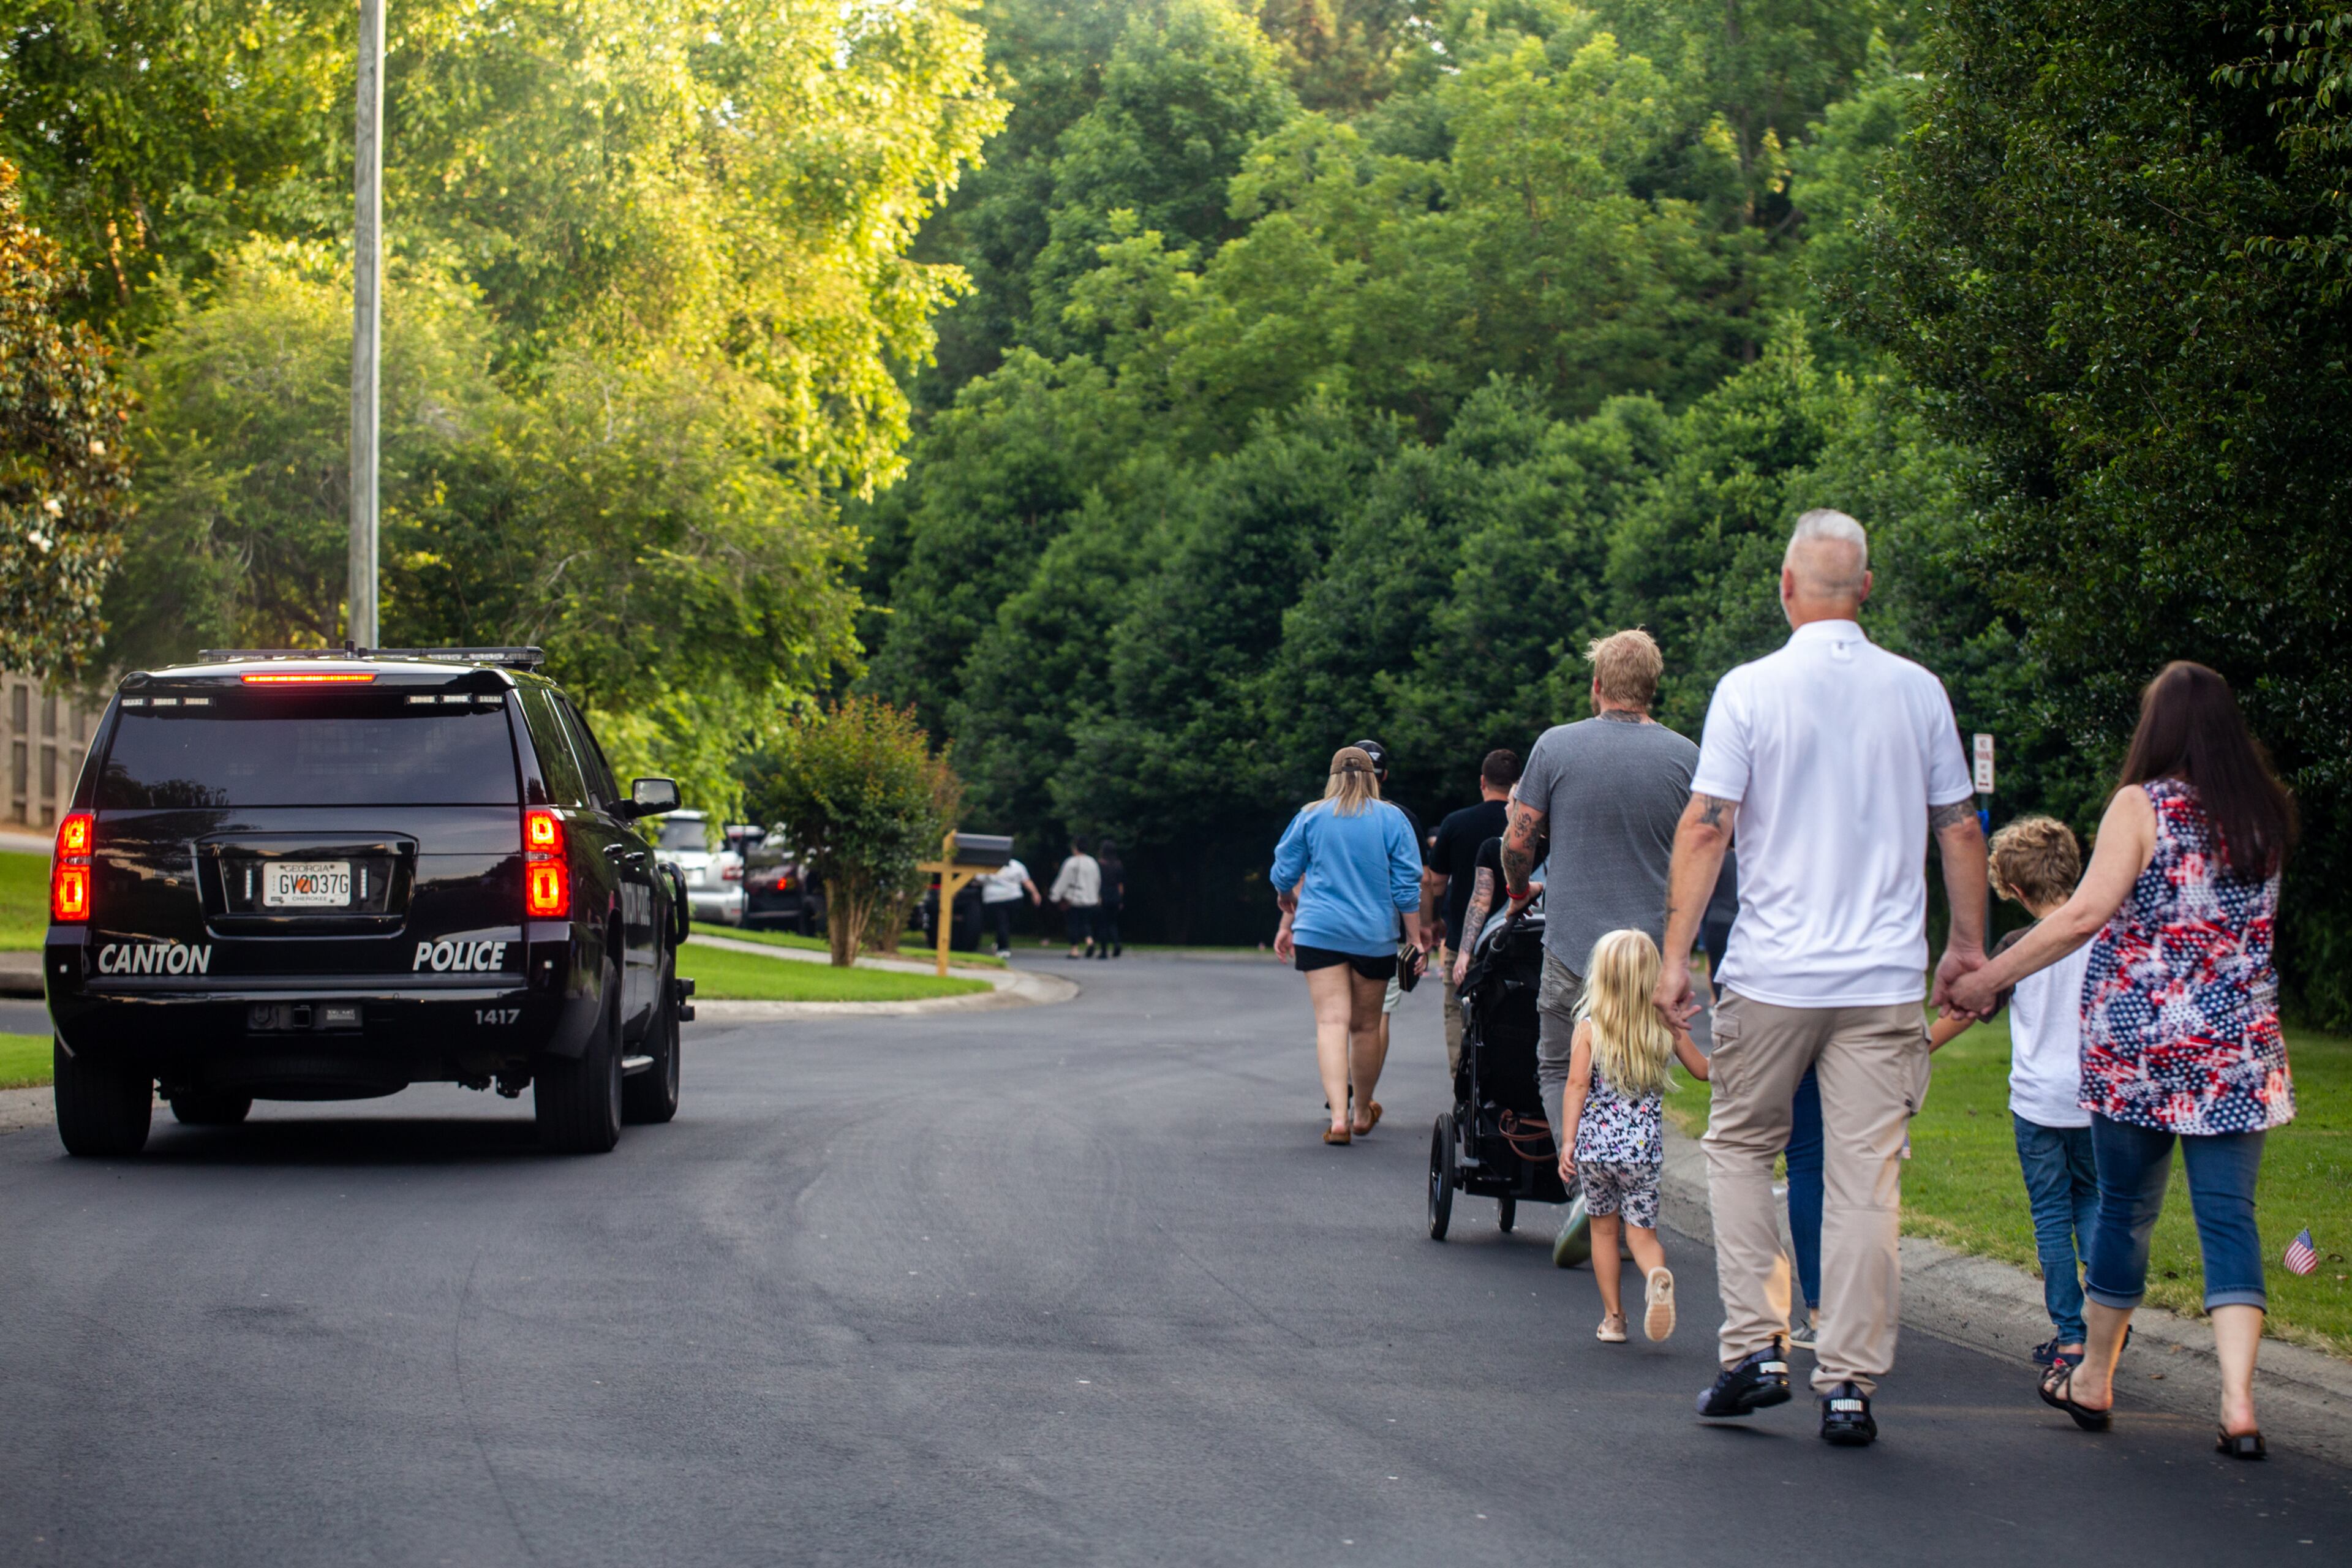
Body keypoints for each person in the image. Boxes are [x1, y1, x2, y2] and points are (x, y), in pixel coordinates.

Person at [1656, 509, 1986, 1448]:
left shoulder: (1749, 690)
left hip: (1774, 973)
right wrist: (1966, 945)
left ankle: (1754, 1348)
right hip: (1882, 977)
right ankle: (1848, 1382)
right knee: (1863, 1180)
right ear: (1867, 589)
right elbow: (1959, 824)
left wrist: (1677, 956)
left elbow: (1709, 824)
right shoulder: (1918, 692)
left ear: (1787, 588)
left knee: (1740, 1149)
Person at [1950, 663, 2296, 1458]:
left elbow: (2085, 914)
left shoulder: (2140, 807)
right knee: (2228, 1220)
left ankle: (2095, 1379)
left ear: (2158, 729)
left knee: (2126, 1212)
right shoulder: (2264, 815)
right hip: (2239, 1051)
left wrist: (1991, 978)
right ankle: (2240, 1405)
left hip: (2139, 1052)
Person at [1500, 630, 1698, 1172]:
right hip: (1647, 958)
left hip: (1572, 946)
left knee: (1558, 1066)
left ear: (1597, 686)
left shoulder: (1556, 746)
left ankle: (1585, 1178)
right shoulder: (1687, 758)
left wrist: (1519, 892)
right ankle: (1626, 1175)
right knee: (1638, 1069)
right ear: (1653, 687)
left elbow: (1519, 841)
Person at [1975, 815, 2098, 1373]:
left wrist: (1918, 1045)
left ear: (2016, 890)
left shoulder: (2016, 947)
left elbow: (1974, 1007)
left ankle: (2070, 1338)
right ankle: (2104, 1318)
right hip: (2096, 1102)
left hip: (2036, 1103)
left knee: (2051, 1213)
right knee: (2097, 1202)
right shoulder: (2104, 934)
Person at [1559, 929, 1713, 1344]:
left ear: (1602, 977)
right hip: (1642, 1153)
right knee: (1642, 1235)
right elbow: (1703, 1071)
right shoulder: (1663, 1027)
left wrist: (1569, 1142)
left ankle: (1614, 1319)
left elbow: (1575, 1086)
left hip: (1595, 1152)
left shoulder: (1590, 1029)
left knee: (1604, 1232)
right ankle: (1656, 1277)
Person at [1270, 747, 1426, 1145]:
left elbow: (1283, 867)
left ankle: (1337, 1118)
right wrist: (1414, 938)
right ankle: (1361, 1112)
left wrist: (1286, 895)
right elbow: (1407, 885)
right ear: (1374, 776)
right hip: (1373, 935)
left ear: (1333, 777)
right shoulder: (1393, 819)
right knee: (1365, 1027)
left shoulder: (1311, 815)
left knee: (1331, 1023)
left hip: (1318, 931)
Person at [1425, 750, 1520, 1076]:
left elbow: (1436, 882)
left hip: (1463, 937)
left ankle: (1463, 1079)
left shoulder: (1456, 822)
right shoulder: (1528, 826)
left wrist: (1436, 919)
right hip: (1518, 938)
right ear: (1518, 784)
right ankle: (1507, 1078)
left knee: (1456, 1008)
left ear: (1482, 781)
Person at [977, 850, 1042, 959]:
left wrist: (1035, 893)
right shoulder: (1017, 865)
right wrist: (1035, 893)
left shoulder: (988, 865)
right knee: (1005, 923)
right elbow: (1026, 881)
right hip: (1013, 898)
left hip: (994, 899)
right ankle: (1002, 946)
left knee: (1001, 923)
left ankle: (1003, 947)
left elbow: (979, 879)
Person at [1049, 838, 1102, 959]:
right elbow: (1097, 881)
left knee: (1073, 924)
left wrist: (1055, 895)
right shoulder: (1092, 862)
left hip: (1074, 898)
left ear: (1075, 848)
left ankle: (1075, 949)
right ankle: (1090, 941)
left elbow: (1064, 880)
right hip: (1090, 899)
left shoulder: (1071, 863)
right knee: (1085, 922)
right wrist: (1097, 895)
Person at [1094, 841, 1126, 959]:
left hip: (1104, 896)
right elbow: (1120, 885)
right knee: (1112, 923)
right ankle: (1117, 943)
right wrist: (1120, 900)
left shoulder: (1100, 865)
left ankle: (1104, 951)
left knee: (1103, 924)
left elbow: (1097, 882)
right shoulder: (1118, 865)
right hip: (1116, 896)